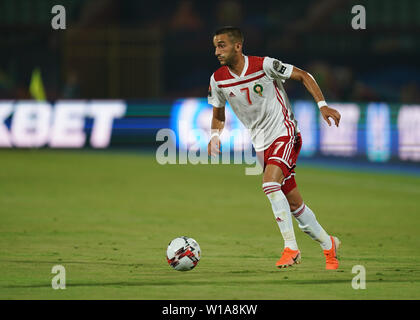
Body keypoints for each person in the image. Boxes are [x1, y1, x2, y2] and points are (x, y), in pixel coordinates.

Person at [207, 26, 342, 269]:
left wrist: (322, 105)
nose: (217, 51)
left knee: (270, 184)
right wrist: (215, 136)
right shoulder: (218, 79)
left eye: (222, 45)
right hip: (260, 144)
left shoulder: (264, 65)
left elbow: (304, 75)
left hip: (285, 131)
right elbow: (218, 114)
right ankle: (328, 244)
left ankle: (291, 248)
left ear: (238, 46)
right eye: (215, 46)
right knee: (294, 204)